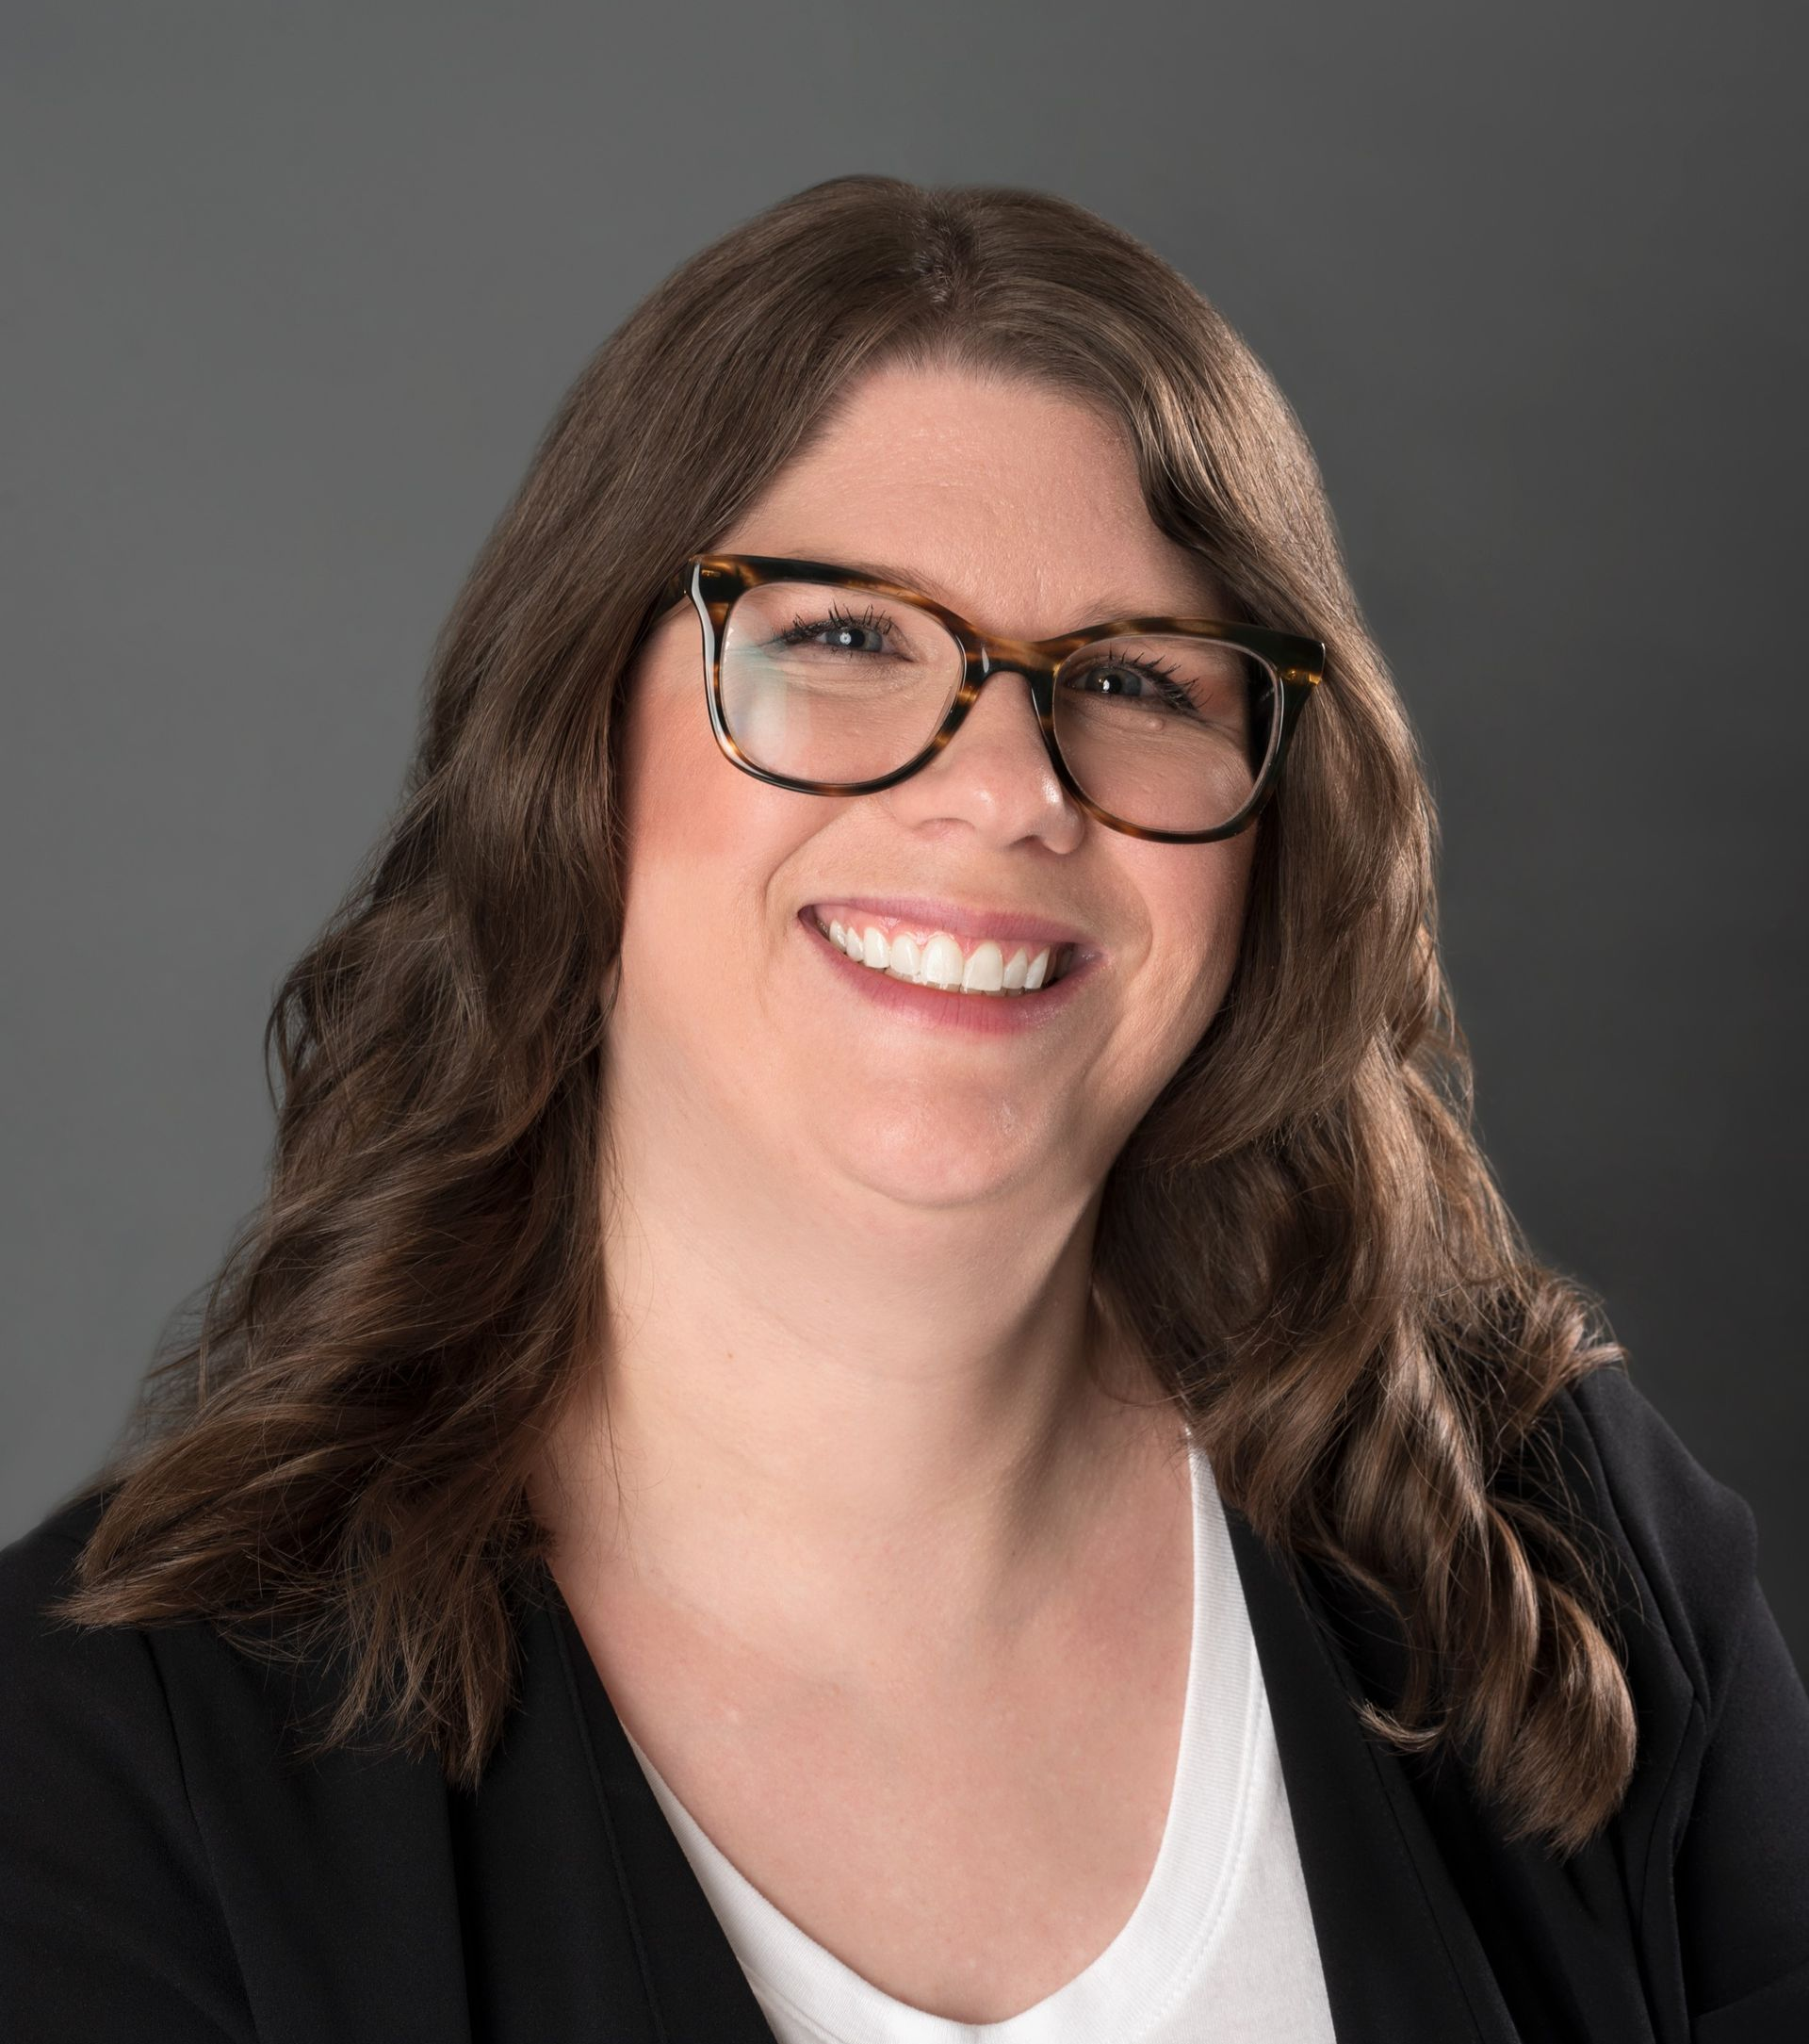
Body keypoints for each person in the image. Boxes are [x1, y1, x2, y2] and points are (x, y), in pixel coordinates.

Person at [3, 173, 1805, 2044]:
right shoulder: (120, 1778)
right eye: (849, 640)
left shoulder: (1548, 1557)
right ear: (572, 743)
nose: (1010, 788)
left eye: (1134, 678)